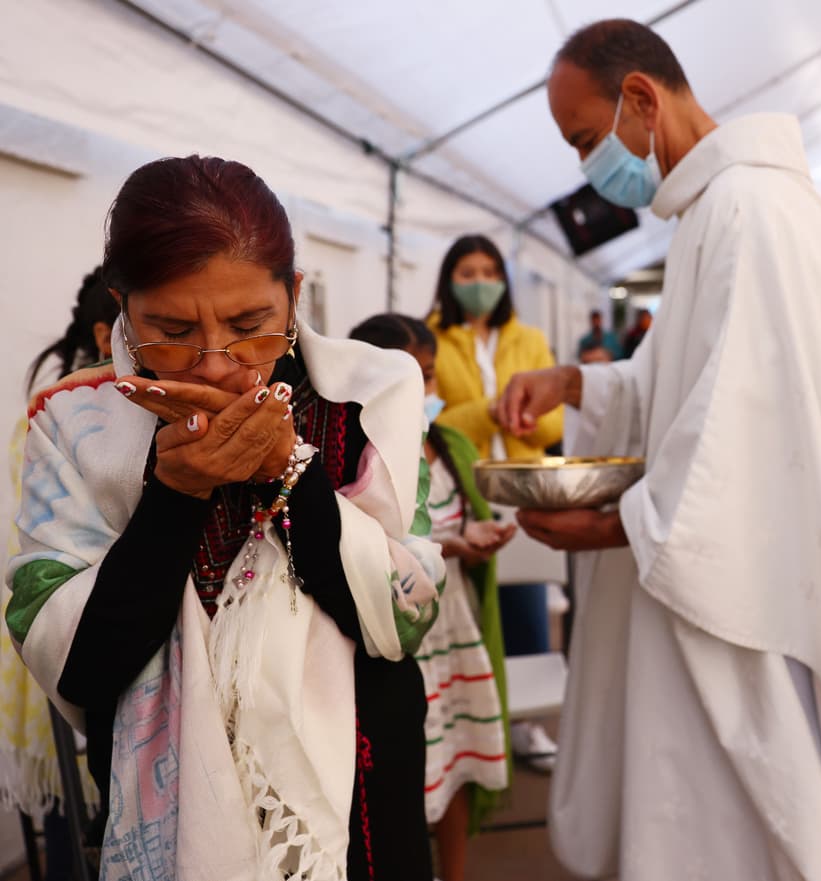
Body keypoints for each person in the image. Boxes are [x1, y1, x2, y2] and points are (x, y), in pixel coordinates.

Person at [495, 19, 821, 881]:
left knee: (751, 824)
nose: (590, 167)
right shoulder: (716, 210)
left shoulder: (750, 209)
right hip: (729, 579)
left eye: (588, 139)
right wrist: (575, 382)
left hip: (754, 603)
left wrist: (616, 523)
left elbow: (741, 437)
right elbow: (682, 382)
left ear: (640, 99)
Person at [6, 156, 444, 880]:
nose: (215, 364)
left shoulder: (369, 399)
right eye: (173, 327)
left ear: (294, 295)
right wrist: (173, 496)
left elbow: (402, 616)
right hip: (170, 819)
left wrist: (290, 469)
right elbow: (79, 665)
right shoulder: (74, 424)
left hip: (361, 793)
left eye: (249, 324)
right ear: (122, 307)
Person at [350, 314, 515, 881]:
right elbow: (372, 543)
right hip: (406, 644)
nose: (423, 392)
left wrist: (479, 540)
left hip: (456, 632)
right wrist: (453, 544)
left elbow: (467, 515)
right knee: (413, 771)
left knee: (460, 758)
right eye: (407, 377)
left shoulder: (451, 448)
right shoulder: (358, 456)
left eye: (429, 376)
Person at [427, 234, 562, 772]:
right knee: (472, 602)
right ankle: (475, 717)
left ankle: (525, 726)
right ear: (449, 279)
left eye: (489, 271)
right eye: (467, 272)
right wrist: (490, 409)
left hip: (523, 483)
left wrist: (526, 414)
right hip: (466, 486)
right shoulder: (432, 339)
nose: (480, 282)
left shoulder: (528, 338)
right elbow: (432, 419)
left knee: (526, 600)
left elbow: (554, 419)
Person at [2, 269, 118, 881]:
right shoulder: (58, 415)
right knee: (79, 807)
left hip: (88, 619)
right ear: (109, 330)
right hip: (65, 622)